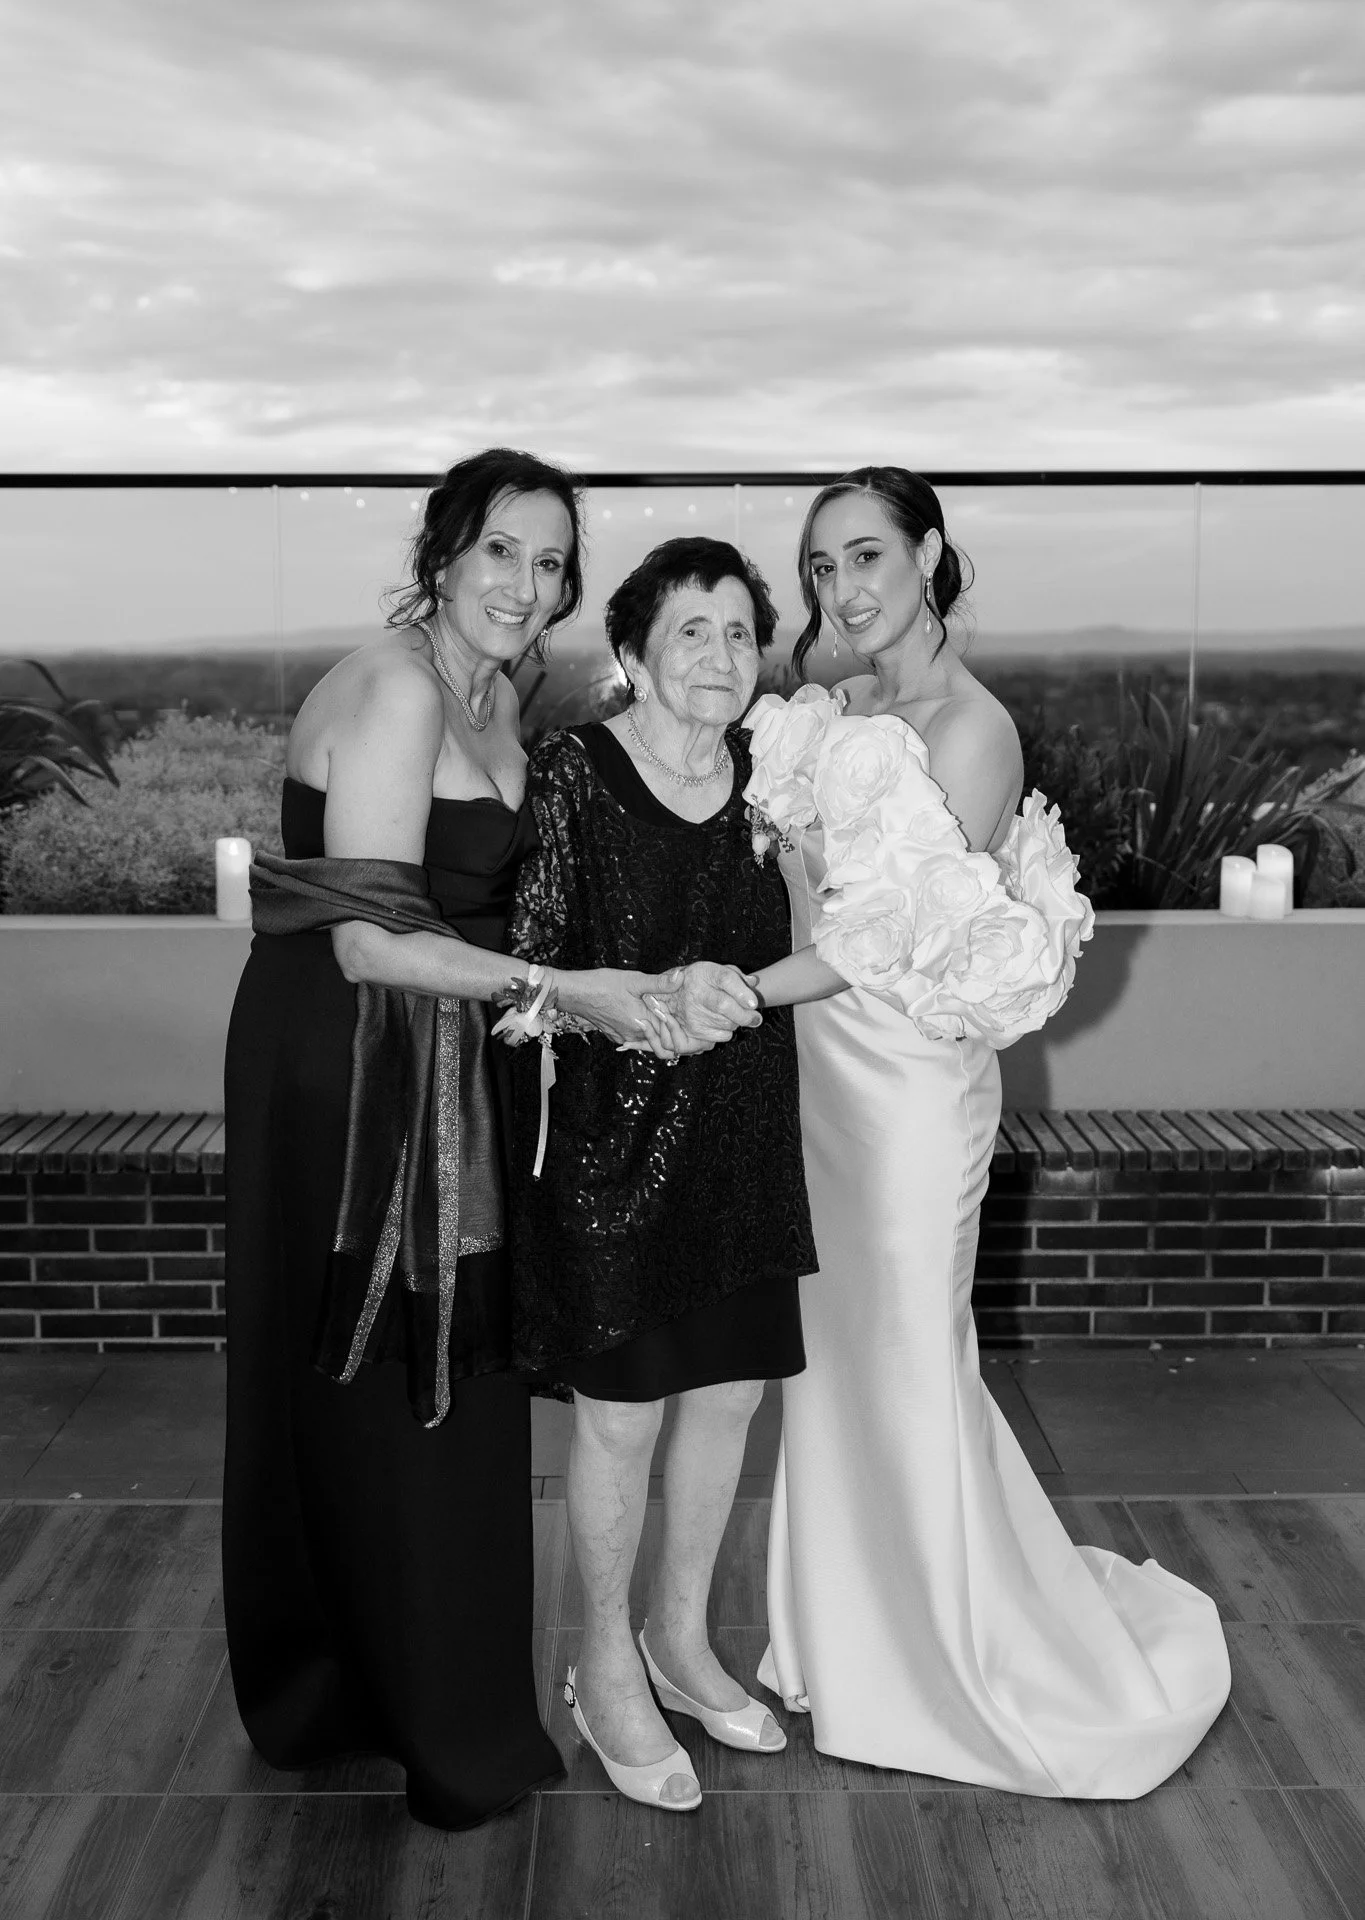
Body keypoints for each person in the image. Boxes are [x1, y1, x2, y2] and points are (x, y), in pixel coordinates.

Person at [736, 465, 1231, 1798]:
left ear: (928, 553)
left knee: (907, 1358)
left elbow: (883, 940)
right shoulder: (839, 708)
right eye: (822, 565)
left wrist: (733, 990)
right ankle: (843, 1642)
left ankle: (946, 1665)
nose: (842, 587)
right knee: (830, 1366)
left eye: (865, 555)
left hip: (905, 1090)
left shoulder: (972, 728)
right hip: (818, 1081)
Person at [223, 447, 694, 1830]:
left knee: (429, 1381)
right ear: (440, 555)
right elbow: (369, 943)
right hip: (352, 1065)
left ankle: (384, 1688)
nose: (526, 585)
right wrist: (573, 992)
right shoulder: (398, 689)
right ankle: (412, 1710)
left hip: (445, 1056)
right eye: (501, 550)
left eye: (551, 563)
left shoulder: (496, 691)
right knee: (390, 1377)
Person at [506, 537, 818, 1811]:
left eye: (741, 631)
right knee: (623, 1414)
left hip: (741, 1138)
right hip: (611, 1145)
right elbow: (528, 972)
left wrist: (748, 986)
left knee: (730, 1395)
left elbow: (840, 935)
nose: (721, 654)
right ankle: (603, 1659)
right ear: (631, 653)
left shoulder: (775, 776)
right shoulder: (574, 771)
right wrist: (644, 1002)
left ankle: (681, 1639)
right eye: (693, 628)